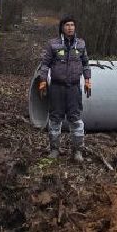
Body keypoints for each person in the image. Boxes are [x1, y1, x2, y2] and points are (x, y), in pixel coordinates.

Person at [36, 16, 92, 161]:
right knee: (55, 119)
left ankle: (77, 151)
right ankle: (54, 150)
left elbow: (86, 63)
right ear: (62, 27)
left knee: (76, 120)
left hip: (74, 88)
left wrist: (87, 80)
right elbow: (45, 64)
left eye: (72, 25)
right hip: (57, 88)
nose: (70, 27)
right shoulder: (53, 44)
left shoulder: (80, 44)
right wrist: (43, 81)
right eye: (67, 25)